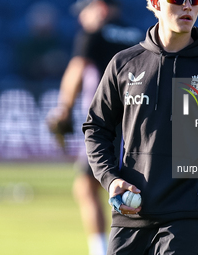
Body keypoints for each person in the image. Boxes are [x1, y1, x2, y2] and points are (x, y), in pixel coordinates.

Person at [83, 0, 198, 254]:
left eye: (195, 0)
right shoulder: (124, 64)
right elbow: (96, 128)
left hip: (188, 218)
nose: (188, 7)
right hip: (129, 217)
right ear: (155, 3)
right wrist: (110, 179)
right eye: (178, 0)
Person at [46, 1, 143, 255]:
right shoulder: (139, 34)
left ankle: (101, 249)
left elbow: (77, 69)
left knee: (86, 186)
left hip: (107, 123)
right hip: (140, 123)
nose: (81, 19)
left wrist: (63, 110)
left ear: (99, 7)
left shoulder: (93, 33)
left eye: (84, 12)